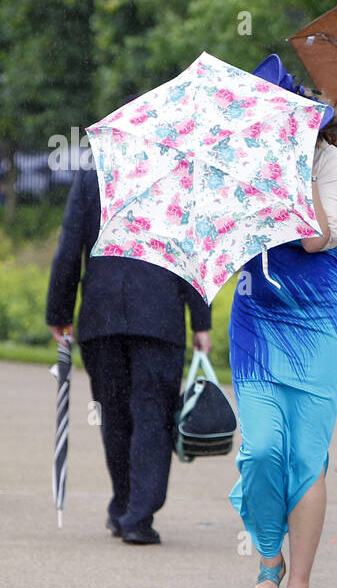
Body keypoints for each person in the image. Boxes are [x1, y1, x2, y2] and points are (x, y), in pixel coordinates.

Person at [230, 54, 337, 588]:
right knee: (260, 451)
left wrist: (292, 175)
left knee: (307, 458)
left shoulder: (329, 158)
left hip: (317, 318)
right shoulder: (235, 163)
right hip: (257, 315)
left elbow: (314, 240)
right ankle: (268, 556)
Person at [46, 172, 212, 545]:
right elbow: (193, 249)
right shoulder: (179, 174)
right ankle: (138, 515)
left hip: (101, 316)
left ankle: (123, 505)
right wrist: (201, 321)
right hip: (160, 316)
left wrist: (59, 312)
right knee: (152, 415)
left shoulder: (93, 175)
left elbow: (70, 245)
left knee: (114, 414)